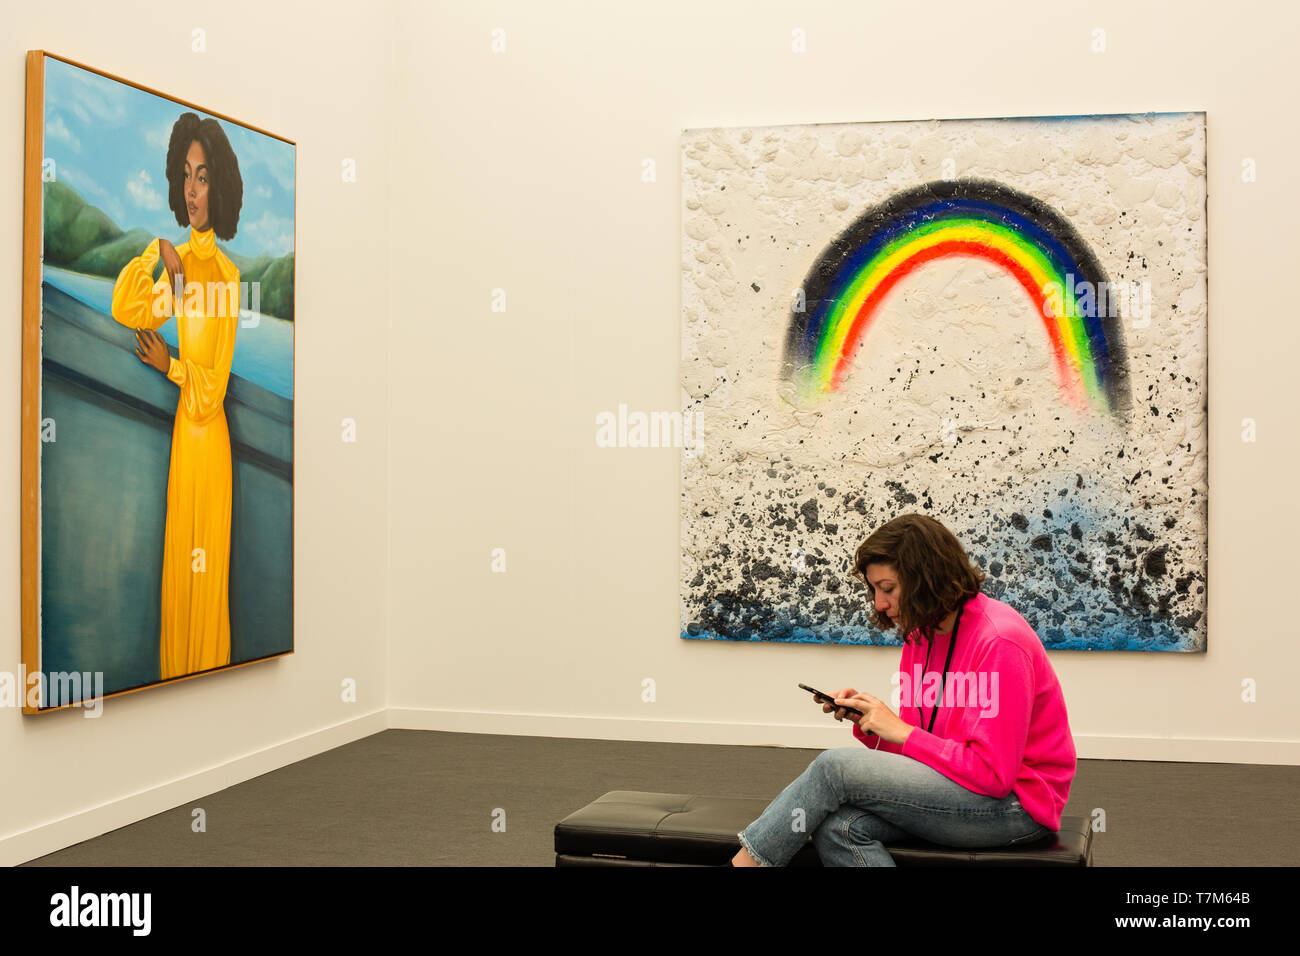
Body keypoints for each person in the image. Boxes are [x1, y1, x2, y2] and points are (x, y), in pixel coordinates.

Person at [730, 512, 1076, 866]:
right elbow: (921, 752)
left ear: (926, 578)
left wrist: (901, 730)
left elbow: (993, 776)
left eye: (888, 588)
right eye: (875, 590)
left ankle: (745, 864)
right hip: (959, 791)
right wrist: (875, 725)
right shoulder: (921, 636)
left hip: (1017, 808)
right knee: (839, 827)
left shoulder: (1000, 641)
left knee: (834, 766)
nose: (879, 604)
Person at [110, 111, 243, 681]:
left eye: (204, 176)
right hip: (182, 449)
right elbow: (129, 309)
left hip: (209, 445)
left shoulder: (229, 278)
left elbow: (212, 389)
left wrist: (171, 368)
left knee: (206, 580)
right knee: (178, 574)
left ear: (221, 188)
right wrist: (153, 253)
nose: (192, 190)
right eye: (186, 175)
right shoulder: (182, 269)